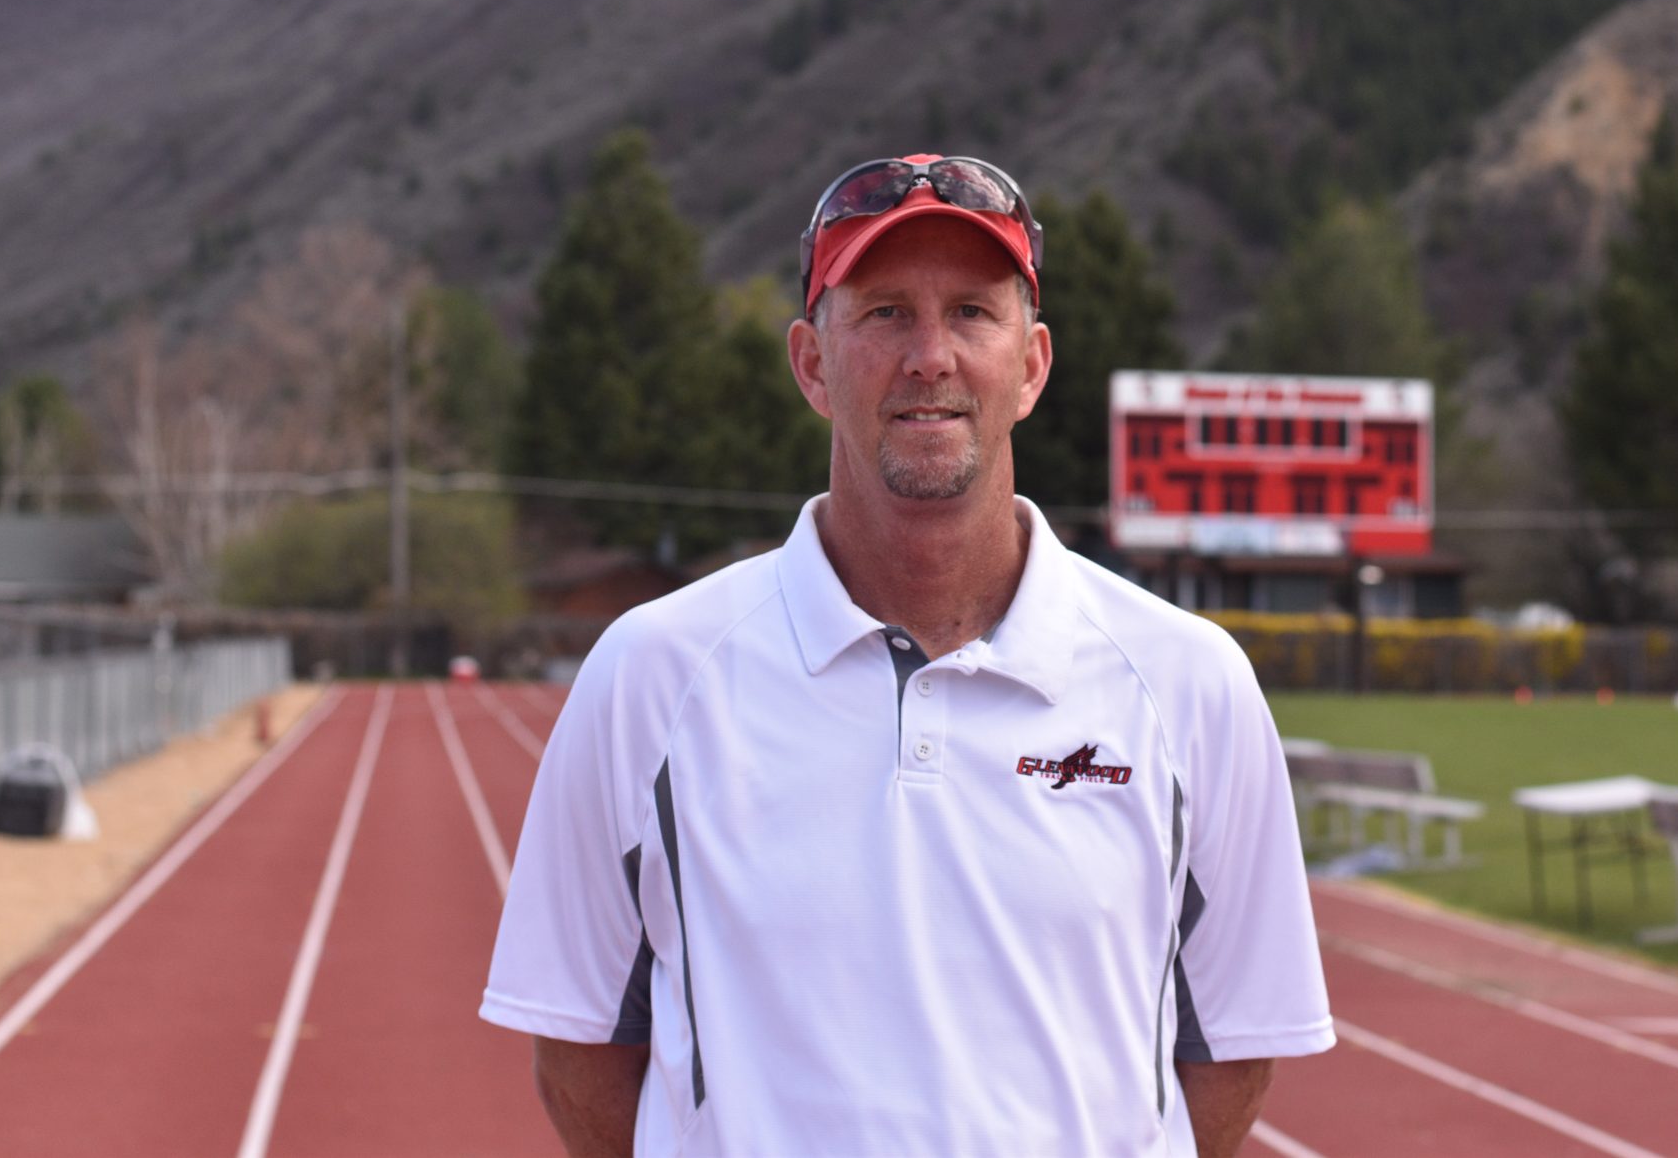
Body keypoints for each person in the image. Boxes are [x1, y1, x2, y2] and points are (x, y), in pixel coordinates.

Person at [481, 154, 1334, 1156]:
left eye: (971, 312)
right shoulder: (650, 675)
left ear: (1031, 365)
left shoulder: (1191, 683)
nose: (930, 356)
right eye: (885, 312)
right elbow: (578, 1050)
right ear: (812, 364)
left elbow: (1231, 1049)